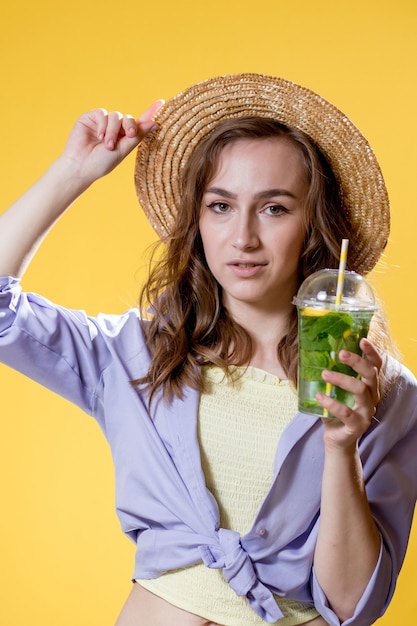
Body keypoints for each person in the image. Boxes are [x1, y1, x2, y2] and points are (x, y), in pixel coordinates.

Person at [0, 73, 416, 626]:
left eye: (274, 208)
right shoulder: (135, 356)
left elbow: (352, 606)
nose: (243, 236)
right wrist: (72, 173)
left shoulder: (381, 392)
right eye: (220, 205)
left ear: (314, 223)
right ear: (197, 220)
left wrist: (342, 446)